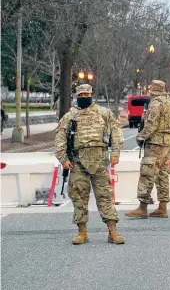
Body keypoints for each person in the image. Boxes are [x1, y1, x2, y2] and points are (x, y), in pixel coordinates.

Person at [55, 84, 125, 245]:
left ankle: (112, 231)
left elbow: (116, 132)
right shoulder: (70, 116)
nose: (84, 96)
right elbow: (60, 138)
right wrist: (63, 158)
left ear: (92, 94)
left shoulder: (104, 113)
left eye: (87, 94)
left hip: (99, 161)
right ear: (77, 96)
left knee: (105, 196)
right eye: (81, 94)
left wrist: (115, 153)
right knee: (78, 197)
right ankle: (82, 232)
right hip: (78, 162)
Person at [126, 80, 170, 219]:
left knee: (147, 173)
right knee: (163, 173)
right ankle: (162, 206)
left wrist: (141, 136)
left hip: (155, 143)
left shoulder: (156, 103)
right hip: (167, 143)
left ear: (153, 90)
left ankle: (142, 207)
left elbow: (151, 125)